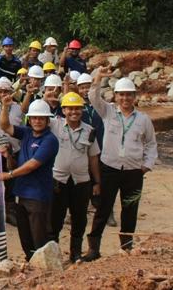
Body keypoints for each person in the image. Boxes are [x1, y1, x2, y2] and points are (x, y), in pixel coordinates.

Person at [83, 73, 158, 260]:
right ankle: (94, 248)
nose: (125, 98)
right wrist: (98, 79)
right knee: (103, 209)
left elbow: (151, 144)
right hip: (109, 169)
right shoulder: (108, 112)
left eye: (129, 94)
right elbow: (93, 97)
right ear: (115, 96)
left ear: (134, 96)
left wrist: (146, 166)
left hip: (134, 172)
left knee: (130, 209)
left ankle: (126, 246)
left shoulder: (143, 119)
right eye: (121, 94)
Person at [0, 98, 59, 260]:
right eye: (34, 118)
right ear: (29, 119)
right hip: (21, 193)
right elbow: (4, 126)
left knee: (39, 237)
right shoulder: (26, 133)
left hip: (37, 195)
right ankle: (30, 262)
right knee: (25, 236)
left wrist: (9, 175)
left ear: (47, 120)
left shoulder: (50, 140)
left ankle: (44, 272)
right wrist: (5, 106)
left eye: (41, 118)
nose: (37, 121)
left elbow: (32, 165)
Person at [49, 92, 101, 263]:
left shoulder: (90, 131)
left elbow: (93, 158)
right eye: (70, 108)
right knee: (55, 219)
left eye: (77, 108)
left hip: (81, 182)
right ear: (63, 110)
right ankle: (53, 254)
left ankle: (75, 254)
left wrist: (97, 182)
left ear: (82, 110)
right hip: (58, 181)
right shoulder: (54, 125)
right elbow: (34, 117)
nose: (74, 112)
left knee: (79, 219)